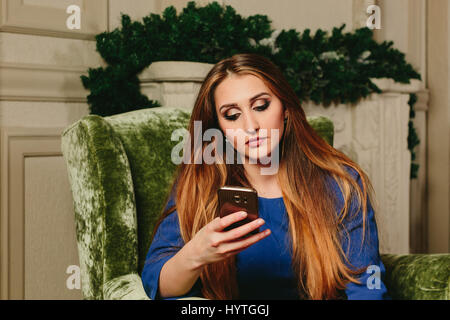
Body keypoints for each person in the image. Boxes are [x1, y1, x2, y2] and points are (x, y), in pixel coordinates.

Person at [141, 53, 390, 300]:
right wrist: (196, 253)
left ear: (285, 109)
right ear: (218, 129)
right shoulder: (201, 185)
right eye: (232, 115)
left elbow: (368, 283)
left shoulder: (341, 182)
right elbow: (156, 283)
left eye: (261, 106)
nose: (251, 125)